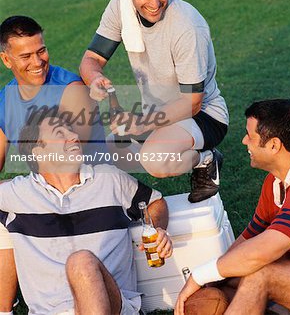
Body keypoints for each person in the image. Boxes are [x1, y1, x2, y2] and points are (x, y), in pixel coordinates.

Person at [80, 0, 229, 204]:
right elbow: (91, 60)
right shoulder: (120, 6)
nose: (154, 3)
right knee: (103, 154)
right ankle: (130, 207)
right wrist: (95, 79)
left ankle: (206, 160)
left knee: (156, 160)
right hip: (157, 112)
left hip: (204, 115)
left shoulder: (186, 26)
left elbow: (191, 103)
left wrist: (141, 123)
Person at [0, 109, 172, 315]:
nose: (73, 137)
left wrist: (157, 229)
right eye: (59, 133)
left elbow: (155, 203)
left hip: (112, 306)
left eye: (71, 131)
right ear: (38, 151)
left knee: (81, 262)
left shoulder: (109, 180)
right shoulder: (17, 194)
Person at [0, 15, 107, 314]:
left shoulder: (70, 89)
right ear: (6, 60)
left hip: (89, 185)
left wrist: (18, 189)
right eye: (25, 55)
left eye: (41, 50)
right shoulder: (5, 99)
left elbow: (70, 159)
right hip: (46, 188)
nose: (37, 61)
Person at [175, 99, 290, 315]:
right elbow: (249, 240)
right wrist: (215, 279)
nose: (244, 141)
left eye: (250, 136)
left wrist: (199, 276)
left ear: (274, 145)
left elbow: (263, 250)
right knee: (228, 280)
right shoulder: (274, 182)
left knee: (262, 273)